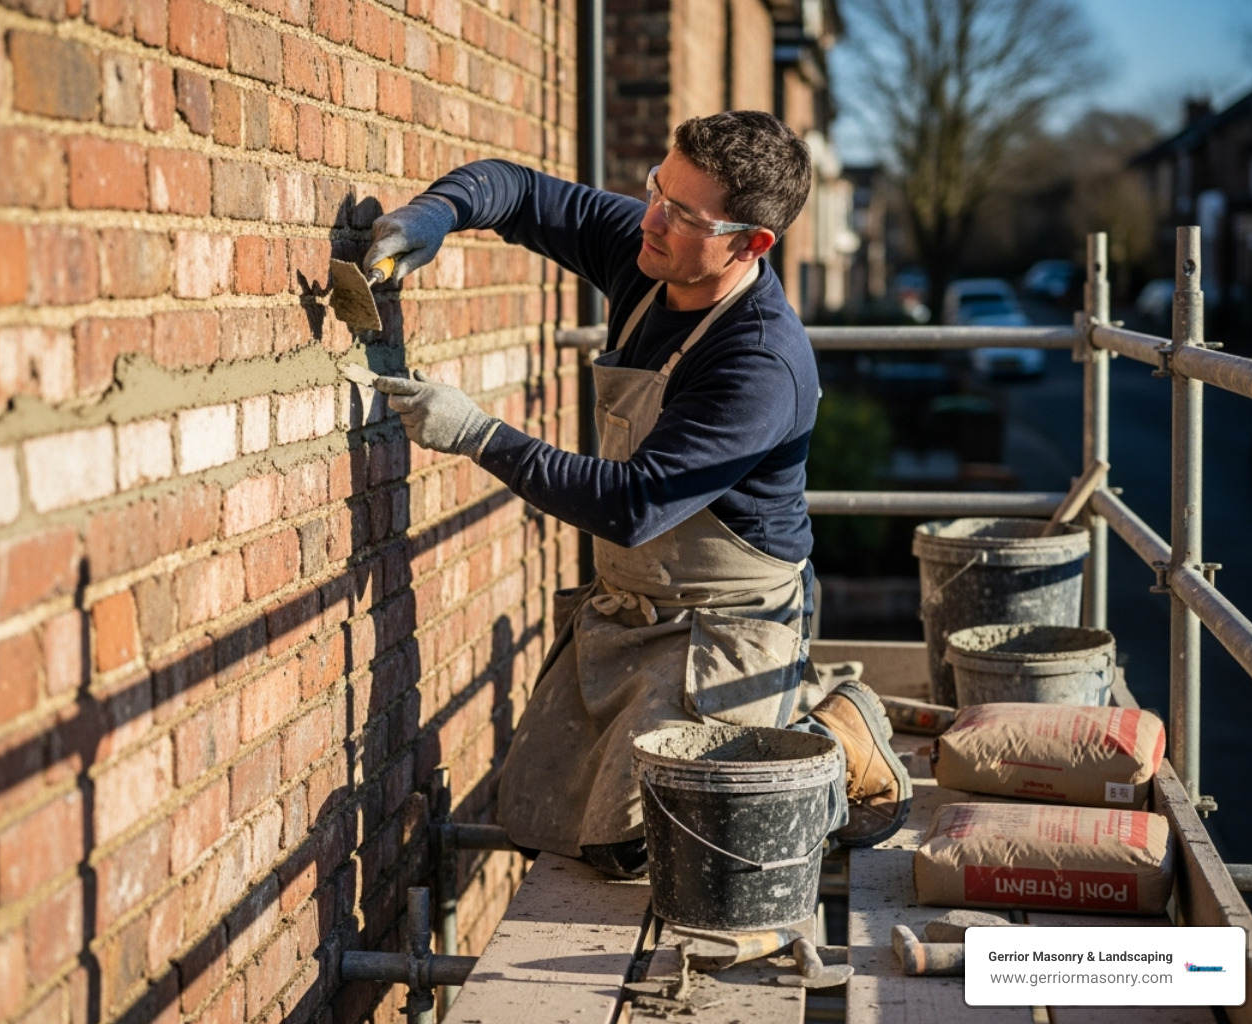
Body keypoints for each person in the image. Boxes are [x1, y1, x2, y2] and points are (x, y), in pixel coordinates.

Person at [361, 111, 911, 878]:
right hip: (631, 604)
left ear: (752, 243)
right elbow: (516, 191)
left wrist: (478, 435)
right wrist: (436, 213)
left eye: (685, 213)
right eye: (659, 186)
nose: (652, 217)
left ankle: (833, 740)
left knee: (656, 847)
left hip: (730, 626)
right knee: (549, 816)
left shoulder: (760, 364)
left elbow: (634, 503)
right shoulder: (653, 248)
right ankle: (778, 730)